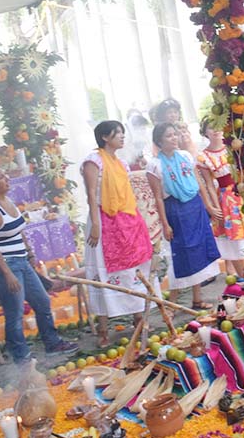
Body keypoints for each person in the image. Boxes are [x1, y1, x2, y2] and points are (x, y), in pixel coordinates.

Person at [0, 164, 78, 363]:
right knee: (15, 312)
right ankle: (21, 357)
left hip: (21, 261)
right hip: (4, 266)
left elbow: (19, 230)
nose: (7, 178)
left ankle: (52, 343)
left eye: (5, 175)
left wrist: (29, 253)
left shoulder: (8, 201)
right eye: (1, 176)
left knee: (42, 301)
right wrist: (7, 274)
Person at [81, 121, 155, 346]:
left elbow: (127, 195)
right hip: (103, 221)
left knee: (133, 270)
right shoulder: (93, 161)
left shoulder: (121, 163)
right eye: (118, 133)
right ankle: (103, 329)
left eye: (123, 133)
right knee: (104, 272)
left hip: (127, 221)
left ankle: (138, 318)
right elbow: (91, 194)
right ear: (105, 137)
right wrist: (96, 224)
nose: (122, 137)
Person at [147, 123, 222, 308]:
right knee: (180, 256)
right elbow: (158, 198)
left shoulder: (186, 156)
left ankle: (197, 299)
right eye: (169, 136)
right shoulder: (154, 165)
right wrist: (165, 224)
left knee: (199, 252)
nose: (174, 138)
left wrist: (209, 207)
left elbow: (199, 183)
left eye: (175, 134)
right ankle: (172, 305)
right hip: (175, 211)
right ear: (159, 141)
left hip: (195, 208)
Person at [197, 120, 244, 278]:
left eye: (217, 126)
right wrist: (215, 206)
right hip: (226, 198)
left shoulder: (232, 146)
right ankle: (243, 276)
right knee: (232, 237)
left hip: (243, 191)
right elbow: (209, 184)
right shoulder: (203, 157)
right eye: (211, 128)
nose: (215, 130)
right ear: (205, 132)